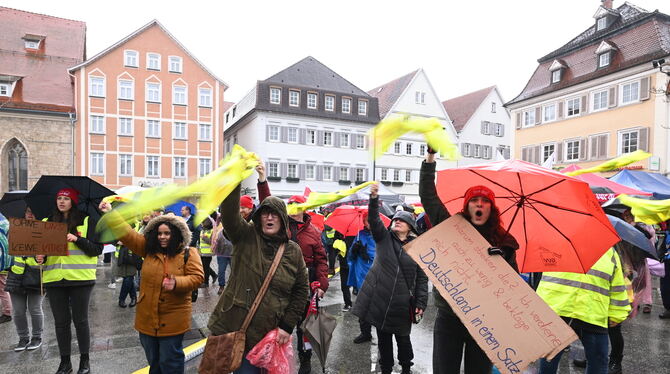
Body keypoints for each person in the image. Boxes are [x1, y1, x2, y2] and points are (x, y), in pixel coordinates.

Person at [419, 150, 519, 374]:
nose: (479, 204)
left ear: (491, 208)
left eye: (485, 201)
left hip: (485, 324)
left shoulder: (505, 242)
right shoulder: (452, 228)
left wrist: (499, 263)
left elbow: (515, 288)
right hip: (449, 316)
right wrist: (430, 160)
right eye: (474, 200)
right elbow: (429, 198)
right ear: (467, 206)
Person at [208, 183, 309, 374]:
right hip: (238, 328)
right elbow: (229, 216)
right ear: (259, 217)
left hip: (270, 335)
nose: (270, 217)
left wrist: (287, 326)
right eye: (265, 213)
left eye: (275, 214)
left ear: (283, 219)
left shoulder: (292, 250)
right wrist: (235, 180)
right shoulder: (246, 236)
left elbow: (301, 290)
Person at [99, 201, 204, 374]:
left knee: (170, 362)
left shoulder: (188, 253)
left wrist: (177, 282)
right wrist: (111, 214)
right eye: (159, 233)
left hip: (173, 318)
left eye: (167, 233)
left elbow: (197, 277)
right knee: (153, 362)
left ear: (177, 234)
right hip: (147, 318)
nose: (162, 237)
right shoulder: (148, 250)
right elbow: (127, 234)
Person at [352, 183, 428, 374]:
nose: (396, 222)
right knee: (383, 340)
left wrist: (421, 301)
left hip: (403, 303)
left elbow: (421, 278)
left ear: (410, 226)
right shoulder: (384, 239)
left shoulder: (417, 247)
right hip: (381, 301)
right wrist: (374, 199)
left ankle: (406, 368)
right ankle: (385, 368)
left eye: (401, 220)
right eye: (394, 220)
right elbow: (374, 220)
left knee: (403, 339)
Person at [536, 247, 631, 374]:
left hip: (592, 313)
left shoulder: (609, 252)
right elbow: (547, 280)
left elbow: (617, 286)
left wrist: (617, 314)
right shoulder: (558, 243)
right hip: (559, 311)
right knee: (549, 359)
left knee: (598, 361)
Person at [38, 188, 103, 374]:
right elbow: (41, 250)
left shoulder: (87, 220)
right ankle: (64, 362)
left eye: (66, 198)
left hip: (80, 278)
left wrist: (76, 239)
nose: (62, 201)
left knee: (80, 320)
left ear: (73, 202)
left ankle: (85, 361)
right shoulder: (46, 222)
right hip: (54, 278)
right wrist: (39, 257)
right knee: (61, 322)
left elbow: (96, 249)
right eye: (59, 198)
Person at [4, 207, 45, 351]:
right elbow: (8, 248)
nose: (30, 214)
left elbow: (51, 252)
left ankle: (37, 337)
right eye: (28, 211)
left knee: (35, 309)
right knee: (19, 311)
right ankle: (23, 338)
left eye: (33, 212)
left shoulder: (44, 231)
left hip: (36, 276)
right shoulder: (15, 229)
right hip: (16, 276)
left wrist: (42, 256)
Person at [348, 214, 376, 344]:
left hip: (377, 277)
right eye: (367, 220)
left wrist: (368, 254)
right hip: (361, 276)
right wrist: (354, 250)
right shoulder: (360, 235)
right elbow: (351, 257)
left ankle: (383, 335)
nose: (369, 222)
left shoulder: (382, 235)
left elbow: (384, 256)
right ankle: (365, 333)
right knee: (362, 306)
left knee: (378, 308)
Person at [0, 211, 13, 324]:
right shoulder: (4, 219)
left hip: (1, 262)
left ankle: (7, 313)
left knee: (3, 289)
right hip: (5, 260)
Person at [198, 218, 217, 288]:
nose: (201, 224)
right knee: (204, 266)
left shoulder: (212, 231)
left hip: (208, 253)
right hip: (202, 252)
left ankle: (206, 282)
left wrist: (204, 238)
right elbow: (200, 241)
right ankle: (214, 275)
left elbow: (212, 242)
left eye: (202, 223)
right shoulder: (202, 230)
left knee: (205, 267)